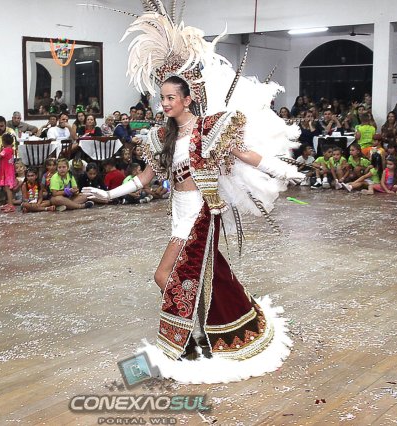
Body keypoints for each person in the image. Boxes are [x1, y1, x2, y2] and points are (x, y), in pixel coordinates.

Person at [82, 4, 302, 382]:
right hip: (179, 214)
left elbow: (244, 155)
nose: (164, 104)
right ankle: (206, 333)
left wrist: (283, 170)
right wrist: (109, 194)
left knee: (165, 275)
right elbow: (145, 178)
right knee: (200, 275)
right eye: (161, 98)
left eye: (171, 97)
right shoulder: (161, 136)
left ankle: (189, 340)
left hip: (203, 211)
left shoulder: (210, 128)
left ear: (187, 98)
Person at [0, 133, 17, 212]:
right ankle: (9, 203)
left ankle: (11, 205)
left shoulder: (5, 150)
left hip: (6, 172)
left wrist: (0, 150)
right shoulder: (11, 149)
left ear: (4, 142)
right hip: (10, 171)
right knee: (7, 188)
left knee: (8, 189)